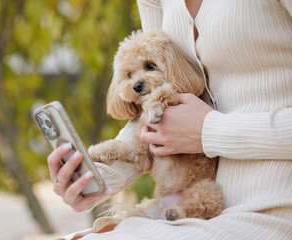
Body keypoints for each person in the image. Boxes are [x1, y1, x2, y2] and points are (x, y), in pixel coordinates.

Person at [47, 0, 292, 239]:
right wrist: (94, 179)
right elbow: (151, 112)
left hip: (274, 204)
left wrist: (210, 131)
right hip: (184, 214)